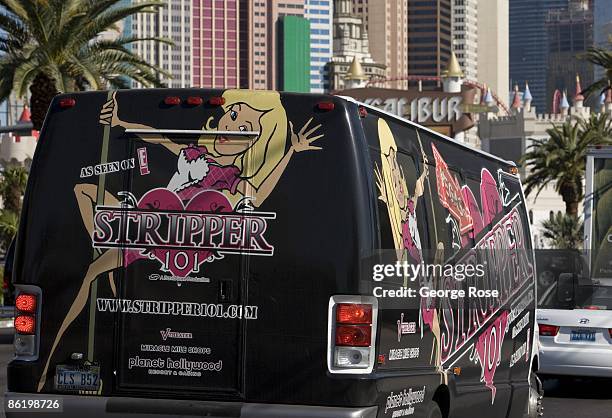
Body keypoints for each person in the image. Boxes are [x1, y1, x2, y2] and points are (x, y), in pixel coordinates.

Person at [38, 90, 323, 391]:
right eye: (234, 116)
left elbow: (260, 193)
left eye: (244, 130)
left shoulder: (229, 176)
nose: (232, 129)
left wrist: (289, 151)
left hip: (167, 241)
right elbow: (159, 138)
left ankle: (48, 366)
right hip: (149, 226)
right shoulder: (194, 153)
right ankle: (46, 365)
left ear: (254, 142)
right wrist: (122, 122)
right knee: (83, 194)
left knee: (94, 269)